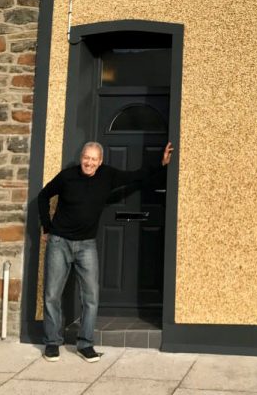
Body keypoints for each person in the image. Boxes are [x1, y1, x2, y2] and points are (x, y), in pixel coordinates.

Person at [38, 139, 174, 362]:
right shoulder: (67, 176)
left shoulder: (108, 176)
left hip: (86, 246)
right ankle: (52, 343)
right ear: (81, 157)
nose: (89, 163)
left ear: (100, 161)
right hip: (59, 243)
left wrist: (161, 164)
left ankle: (85, 344)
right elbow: (43, 196)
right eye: (86, 158)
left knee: (91, 297)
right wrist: (46, 226)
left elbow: (135, 176)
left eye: (93, 159)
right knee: (52, 295)